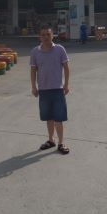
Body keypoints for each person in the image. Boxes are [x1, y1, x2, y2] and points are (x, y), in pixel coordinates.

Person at [30, 25, 70, 154]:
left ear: (53, 35)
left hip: (58, 89)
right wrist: (33, 86)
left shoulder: (59, 49)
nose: (46, 37)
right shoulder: (35, 52)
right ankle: (51, 140)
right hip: (43, 90)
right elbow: (33, 70)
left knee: (59, 118)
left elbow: (66, 68)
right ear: (39, 37)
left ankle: (61, 143)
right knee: (48, 118)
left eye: (48, 34)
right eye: (43, 35)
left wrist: (66, 85)